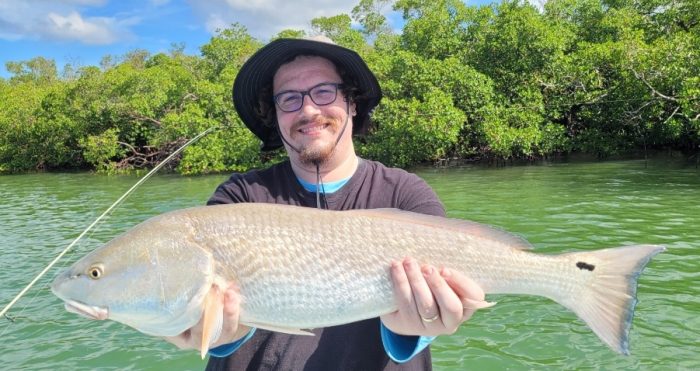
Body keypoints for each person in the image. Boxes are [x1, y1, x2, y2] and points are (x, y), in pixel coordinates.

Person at [166, 36, 488, 370]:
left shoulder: (407, 195)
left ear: (352, 103)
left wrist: (418, 326)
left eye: (324, 92)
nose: (308, 110)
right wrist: (210, 329)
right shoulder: (238, 196)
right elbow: (212, 317)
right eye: (289, 98)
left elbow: (439, 301)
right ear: (274, 115)